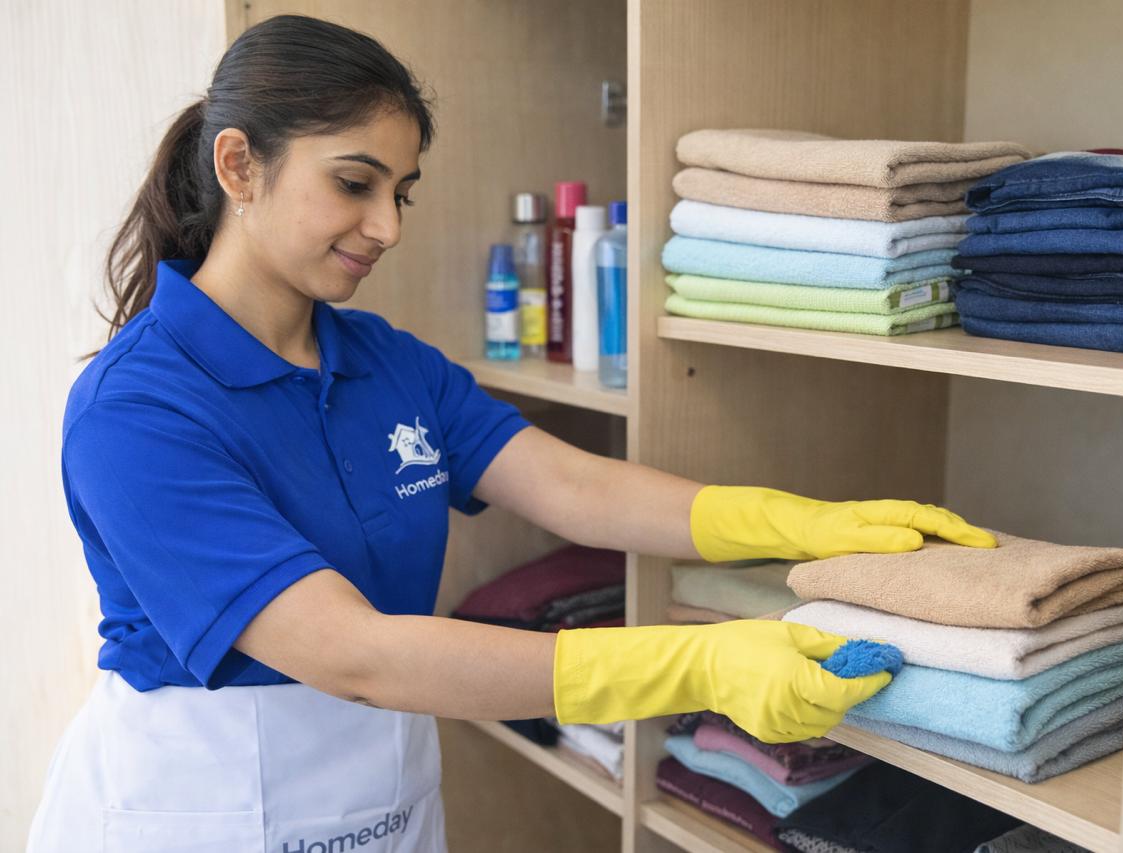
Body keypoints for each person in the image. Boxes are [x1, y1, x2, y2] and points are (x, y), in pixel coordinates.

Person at [27, 14, 996, 853]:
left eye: (399, 192)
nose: (387, 226)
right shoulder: (139, 409)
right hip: (198, 809)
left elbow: (574, 488)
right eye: (355, 183)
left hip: (380, 791)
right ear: (239, 164)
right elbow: (353, 652)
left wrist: (804, 524)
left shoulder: (384, 361)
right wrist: (695, 663)